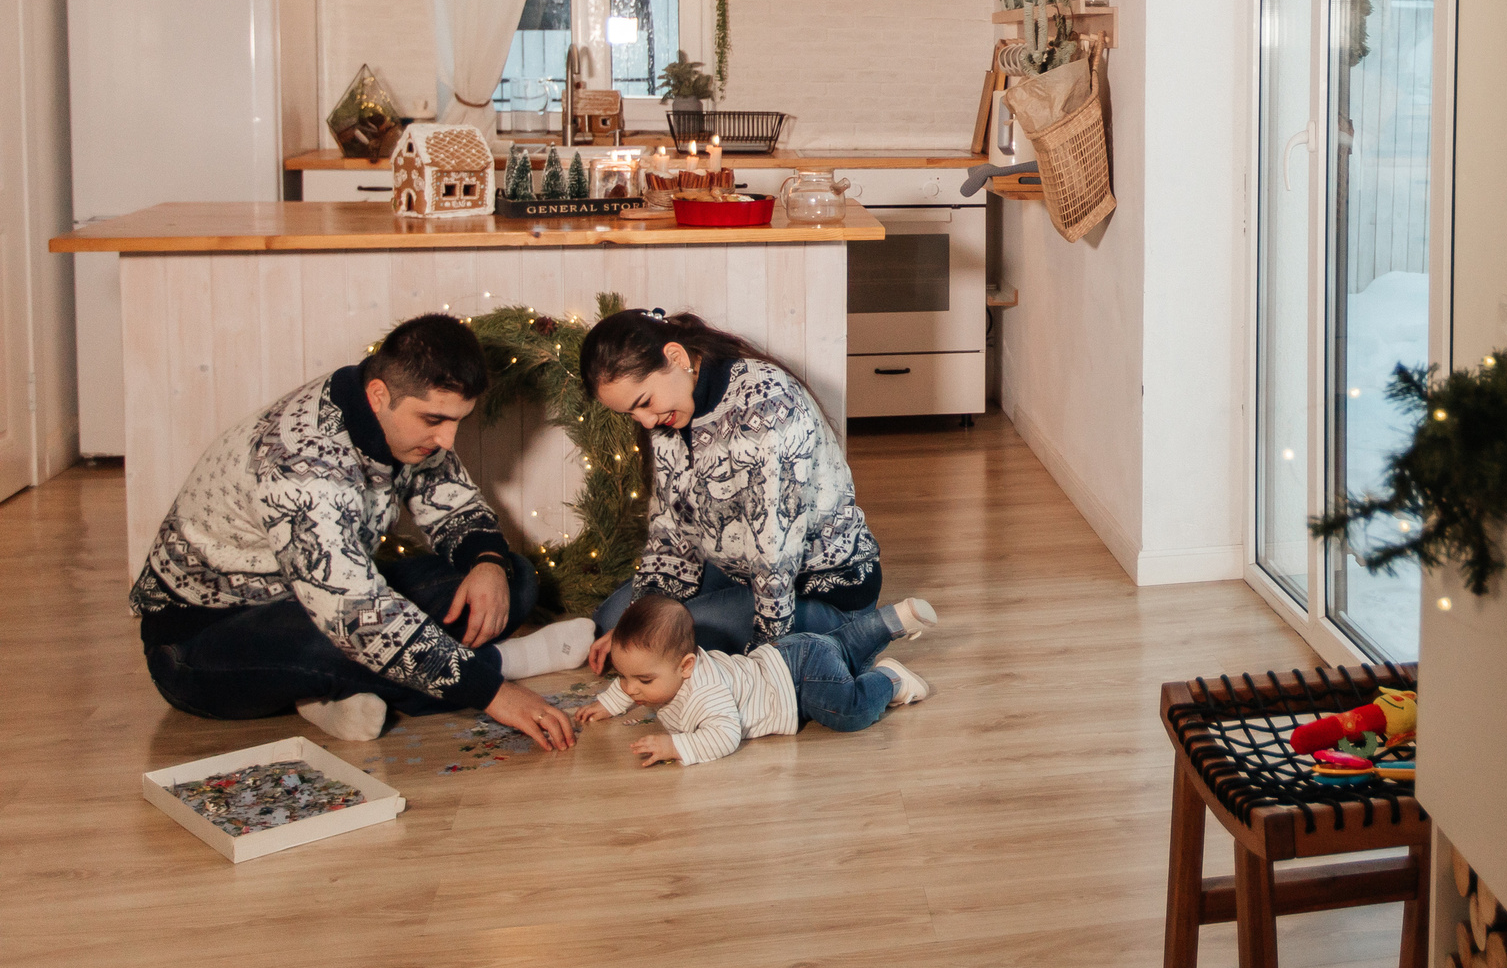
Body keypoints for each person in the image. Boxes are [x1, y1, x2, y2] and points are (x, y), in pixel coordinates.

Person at [132, 313, 595, 747]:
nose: (447, 441)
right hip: (199, 642)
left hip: (313, 599)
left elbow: (452, 504)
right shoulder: (301, 469)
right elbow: (357, 617)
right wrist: (495, 692)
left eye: (458, 420)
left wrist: (488, 562)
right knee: (347, 637)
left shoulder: (392, 413)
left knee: (513, 578)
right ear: (378, 395)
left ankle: (327, 695)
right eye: (434, 420)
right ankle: (503, 663)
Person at [580, 309, 929, 664]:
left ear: (676, 357)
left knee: (658, 644)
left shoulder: (766, 405)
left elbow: (775, 548)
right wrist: (644, 612)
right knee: (617, 624)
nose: (645, 421)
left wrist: (770, 659)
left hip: (816, 590)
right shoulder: (669, 414)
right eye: (630, 414)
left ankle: (851, 636)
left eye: (644, 403)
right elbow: (670, 523)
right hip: (738, 572)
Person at [574, 591, 932, 766]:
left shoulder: (705, 693)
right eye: (624, 678)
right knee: (839, 646)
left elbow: (726, 736)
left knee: (848, 709)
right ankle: (890, 620)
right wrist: (609, 702)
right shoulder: (663, 672)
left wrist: (675, 747)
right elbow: (631, 680)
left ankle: (891, 680)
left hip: (797, 686)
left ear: (686, 666)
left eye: (643, 681)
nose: (631, 688)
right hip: (788, 651)